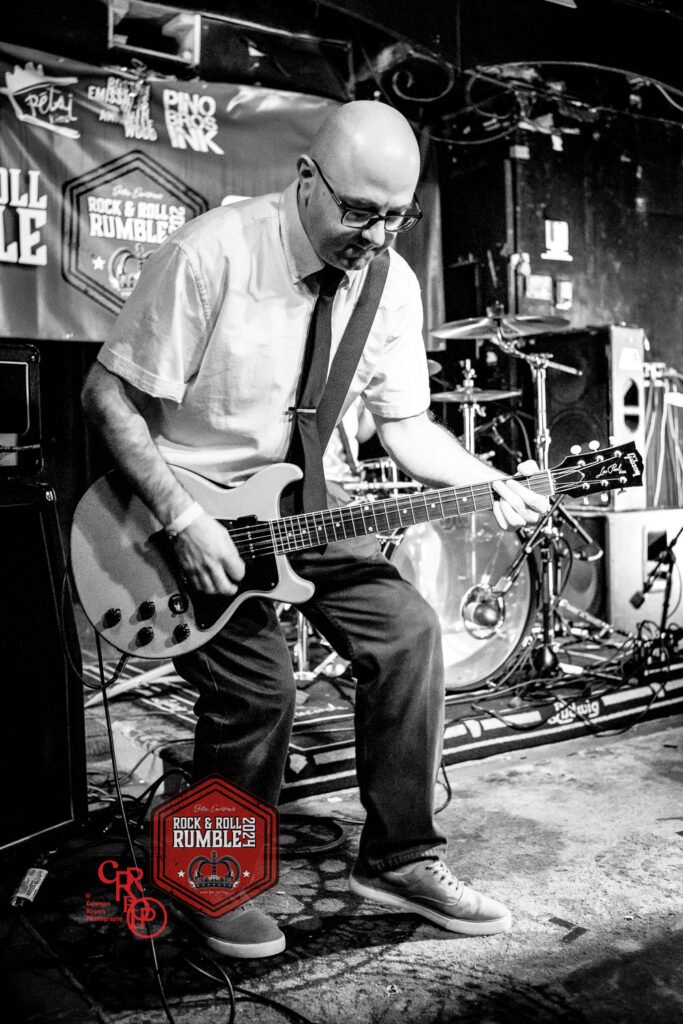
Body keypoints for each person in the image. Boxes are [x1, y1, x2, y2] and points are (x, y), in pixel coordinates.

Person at [81, 100, 548, 959]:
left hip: (305, 505)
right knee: (259, 690)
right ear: (306, 178)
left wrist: (489, 484)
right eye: (358, 211)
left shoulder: (389, 283)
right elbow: (107, 397)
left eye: (395, 216)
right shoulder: (211, 253)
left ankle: (399, 857)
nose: (376, 236)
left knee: (408, 634)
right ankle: (208, 879)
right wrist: (182, 518)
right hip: (185, 515)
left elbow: (405, 427)